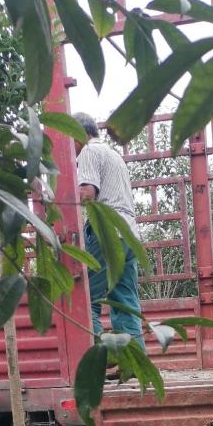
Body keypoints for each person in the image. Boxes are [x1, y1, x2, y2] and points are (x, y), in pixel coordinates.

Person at [72, 112, 145, 352]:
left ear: (80, 135)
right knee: (125, 302)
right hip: (129, 236)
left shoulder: (89, 152)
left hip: (107, 233)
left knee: (86, 300)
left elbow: (87, 194)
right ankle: (134, 363)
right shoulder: (114, 155)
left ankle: (96, 363)